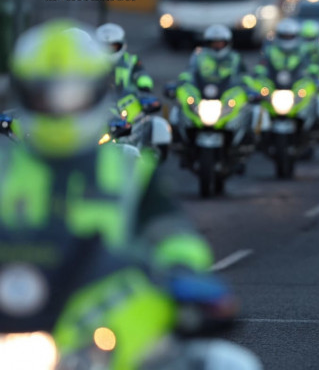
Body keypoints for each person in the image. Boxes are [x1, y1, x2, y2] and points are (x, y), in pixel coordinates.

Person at [0, 20, 220, 367]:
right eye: (47, 93)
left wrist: (184, 270)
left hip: (111, 315)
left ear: (98, 89)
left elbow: (171, 231)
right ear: (23, 91)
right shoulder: (4, 165)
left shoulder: (128, 169)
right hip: (18, 308)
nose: (61, 105)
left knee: (227, 362)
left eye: (73, 92)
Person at [178, 24, 255, 92]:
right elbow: (189, 72)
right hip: (202, 90)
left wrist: (246, 85)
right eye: (214, 43)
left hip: (228, 92)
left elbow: (244, 75)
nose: (217, 46)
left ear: (226, 43)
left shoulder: (235, 57)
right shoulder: (199, 55)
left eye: (220, 43)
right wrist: (183, 81)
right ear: (208, 43)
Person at [95, 22, 154, 93]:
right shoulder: (91, 60)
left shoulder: (131, 60)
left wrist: (145, 85)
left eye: (114, 46)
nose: (110, 49)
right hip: (99, 99)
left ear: (122, 44)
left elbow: (141, 74)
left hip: (126, 100)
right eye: (106, 46)